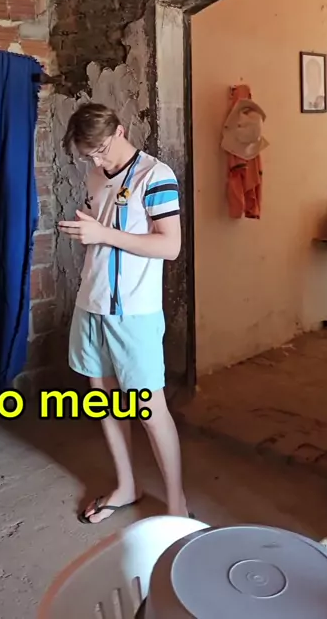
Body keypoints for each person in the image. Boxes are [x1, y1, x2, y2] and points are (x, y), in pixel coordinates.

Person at [58, 102, 189, 524]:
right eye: (88, 156)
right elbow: (102, 235)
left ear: (119, 131)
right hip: (91, 302)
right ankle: (127, 485)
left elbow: (170, 246)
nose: (96, 162)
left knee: (150, 410)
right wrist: (89, 233)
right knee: (105, 402)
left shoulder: (156, 176)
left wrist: (103, 234)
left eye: (99, 151)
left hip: (134, 312)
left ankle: (177, 505)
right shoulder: (96, 177)